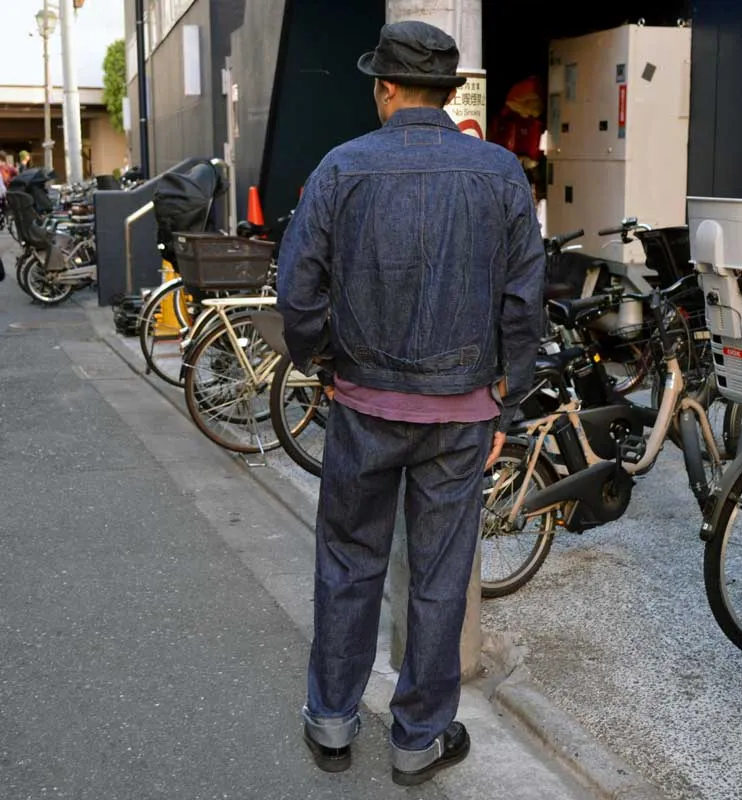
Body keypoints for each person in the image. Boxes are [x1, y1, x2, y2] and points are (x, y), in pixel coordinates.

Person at [277, 20, 545, 786]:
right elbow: (526, 300)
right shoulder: (498, 173)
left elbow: (298, 290)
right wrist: (506, 398)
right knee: (438, 570)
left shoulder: (341, 167)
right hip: (460, 414)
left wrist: (321, 359)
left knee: (349, 558)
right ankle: (417, 736)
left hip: (364, 403)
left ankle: (331, 719)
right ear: (448, 92)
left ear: (385, 88)